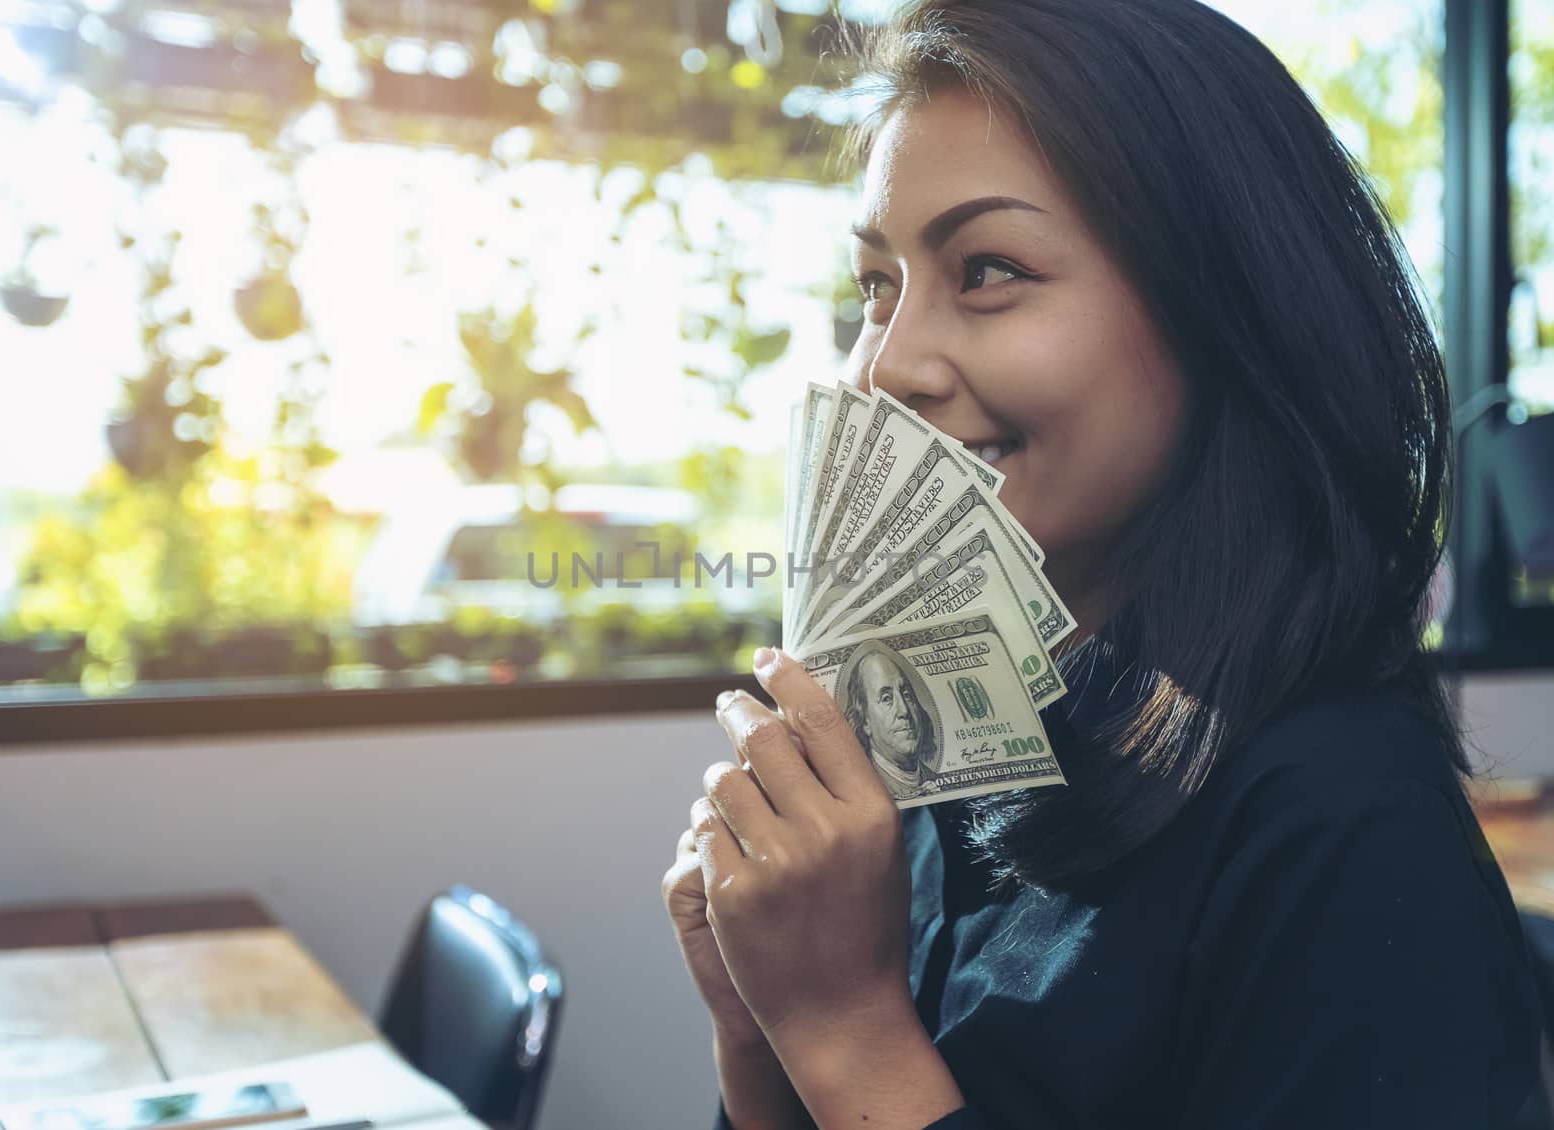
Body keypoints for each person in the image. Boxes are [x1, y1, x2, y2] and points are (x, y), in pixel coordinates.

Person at [660, 2, 1547, 1128]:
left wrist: (844, 1024)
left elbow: (875, 1066)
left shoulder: (1346, 829)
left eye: (986, 270)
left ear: (1223, 311)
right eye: (875, 287)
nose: (885, 368)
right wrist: (762, 1028)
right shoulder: (976, 749)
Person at [844, 647, 938, 800]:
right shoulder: (859, 790)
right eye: (887, 698)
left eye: (906, 695)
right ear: (865, 720)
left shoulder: (935, 779)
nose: (904, 711)